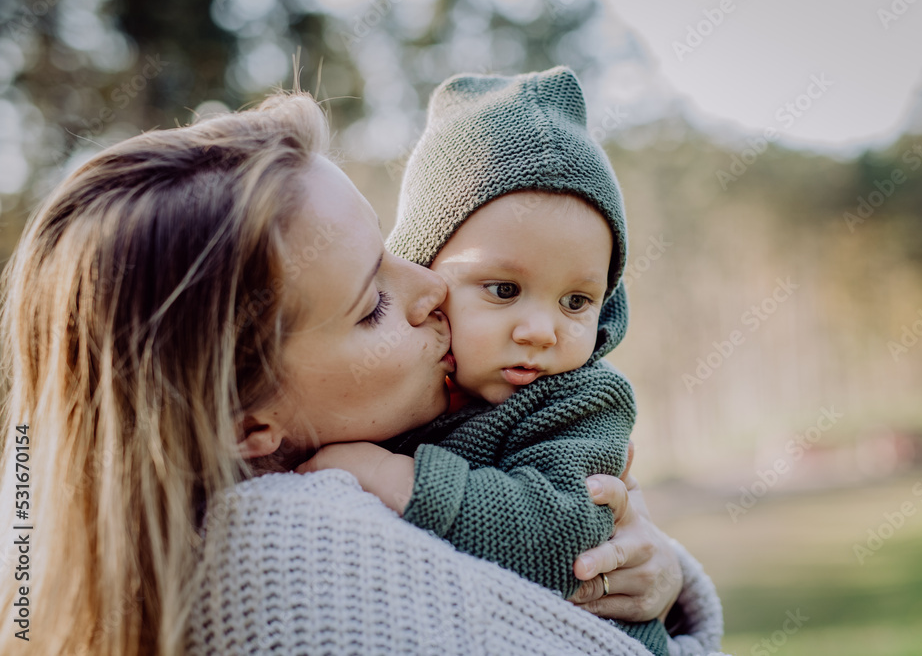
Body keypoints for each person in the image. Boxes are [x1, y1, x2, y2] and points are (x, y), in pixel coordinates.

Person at [0, 91, 726, 655]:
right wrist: (668, 598)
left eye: (389, 249)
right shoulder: (300, 546)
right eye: (372, 303)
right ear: (247, 422)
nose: (433, 288)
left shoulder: (144, 550)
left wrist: (661, 570)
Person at [300, 67, 672, 655]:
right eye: (502, 290)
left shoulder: (582, 400)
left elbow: (569, 534)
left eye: (576, 301)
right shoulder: (396, 394)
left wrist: (397, 478)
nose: (541, 330)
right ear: (426, 276)